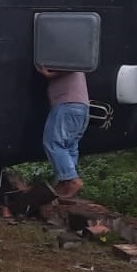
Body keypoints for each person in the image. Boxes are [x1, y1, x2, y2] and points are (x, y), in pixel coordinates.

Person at [38, 64, 89, 199]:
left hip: (67, 104)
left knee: (53, 142)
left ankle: (71, 179)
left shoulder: (68, 57)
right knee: (70, 145)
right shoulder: (78, 56)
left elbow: (71, 67)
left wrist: (50, 75)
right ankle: (65, 182)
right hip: (81, 106)